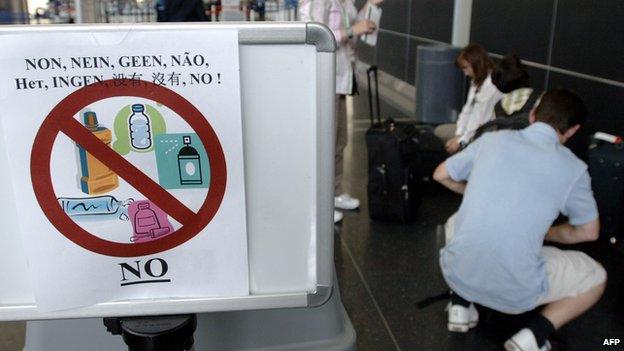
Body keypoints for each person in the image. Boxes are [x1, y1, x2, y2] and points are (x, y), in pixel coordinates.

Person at [433, 89, 607, 351]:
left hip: (456, 272)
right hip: (515, 292)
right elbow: (589, 232)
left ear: (533, 114)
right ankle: (534, 336)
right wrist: (549, 233)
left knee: (456, 221)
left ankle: (460, 305)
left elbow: (440, 174)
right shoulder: (574, 169)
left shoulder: (492, 140)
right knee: (595, 275)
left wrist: (479, 192)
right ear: (572, 131)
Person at [298, 0, 382, 223]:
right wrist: (353, 30)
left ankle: (333, 193)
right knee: (323, 143)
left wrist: (369, 7)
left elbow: (354, 24)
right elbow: (314, 35)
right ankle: (318, 202)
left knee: (338, 140)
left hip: (341, 77)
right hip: (323, 78)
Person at [434, 43, 503, 154]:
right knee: (440, 131)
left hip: (485, 133)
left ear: (477, 64)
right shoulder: (476, 81)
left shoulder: (492, 86)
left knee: (452, 143)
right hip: (471, 130)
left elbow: (481, 122)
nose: (465, 73)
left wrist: (461, 141)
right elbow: (467, 110)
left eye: (466, 68)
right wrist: (458, 133)